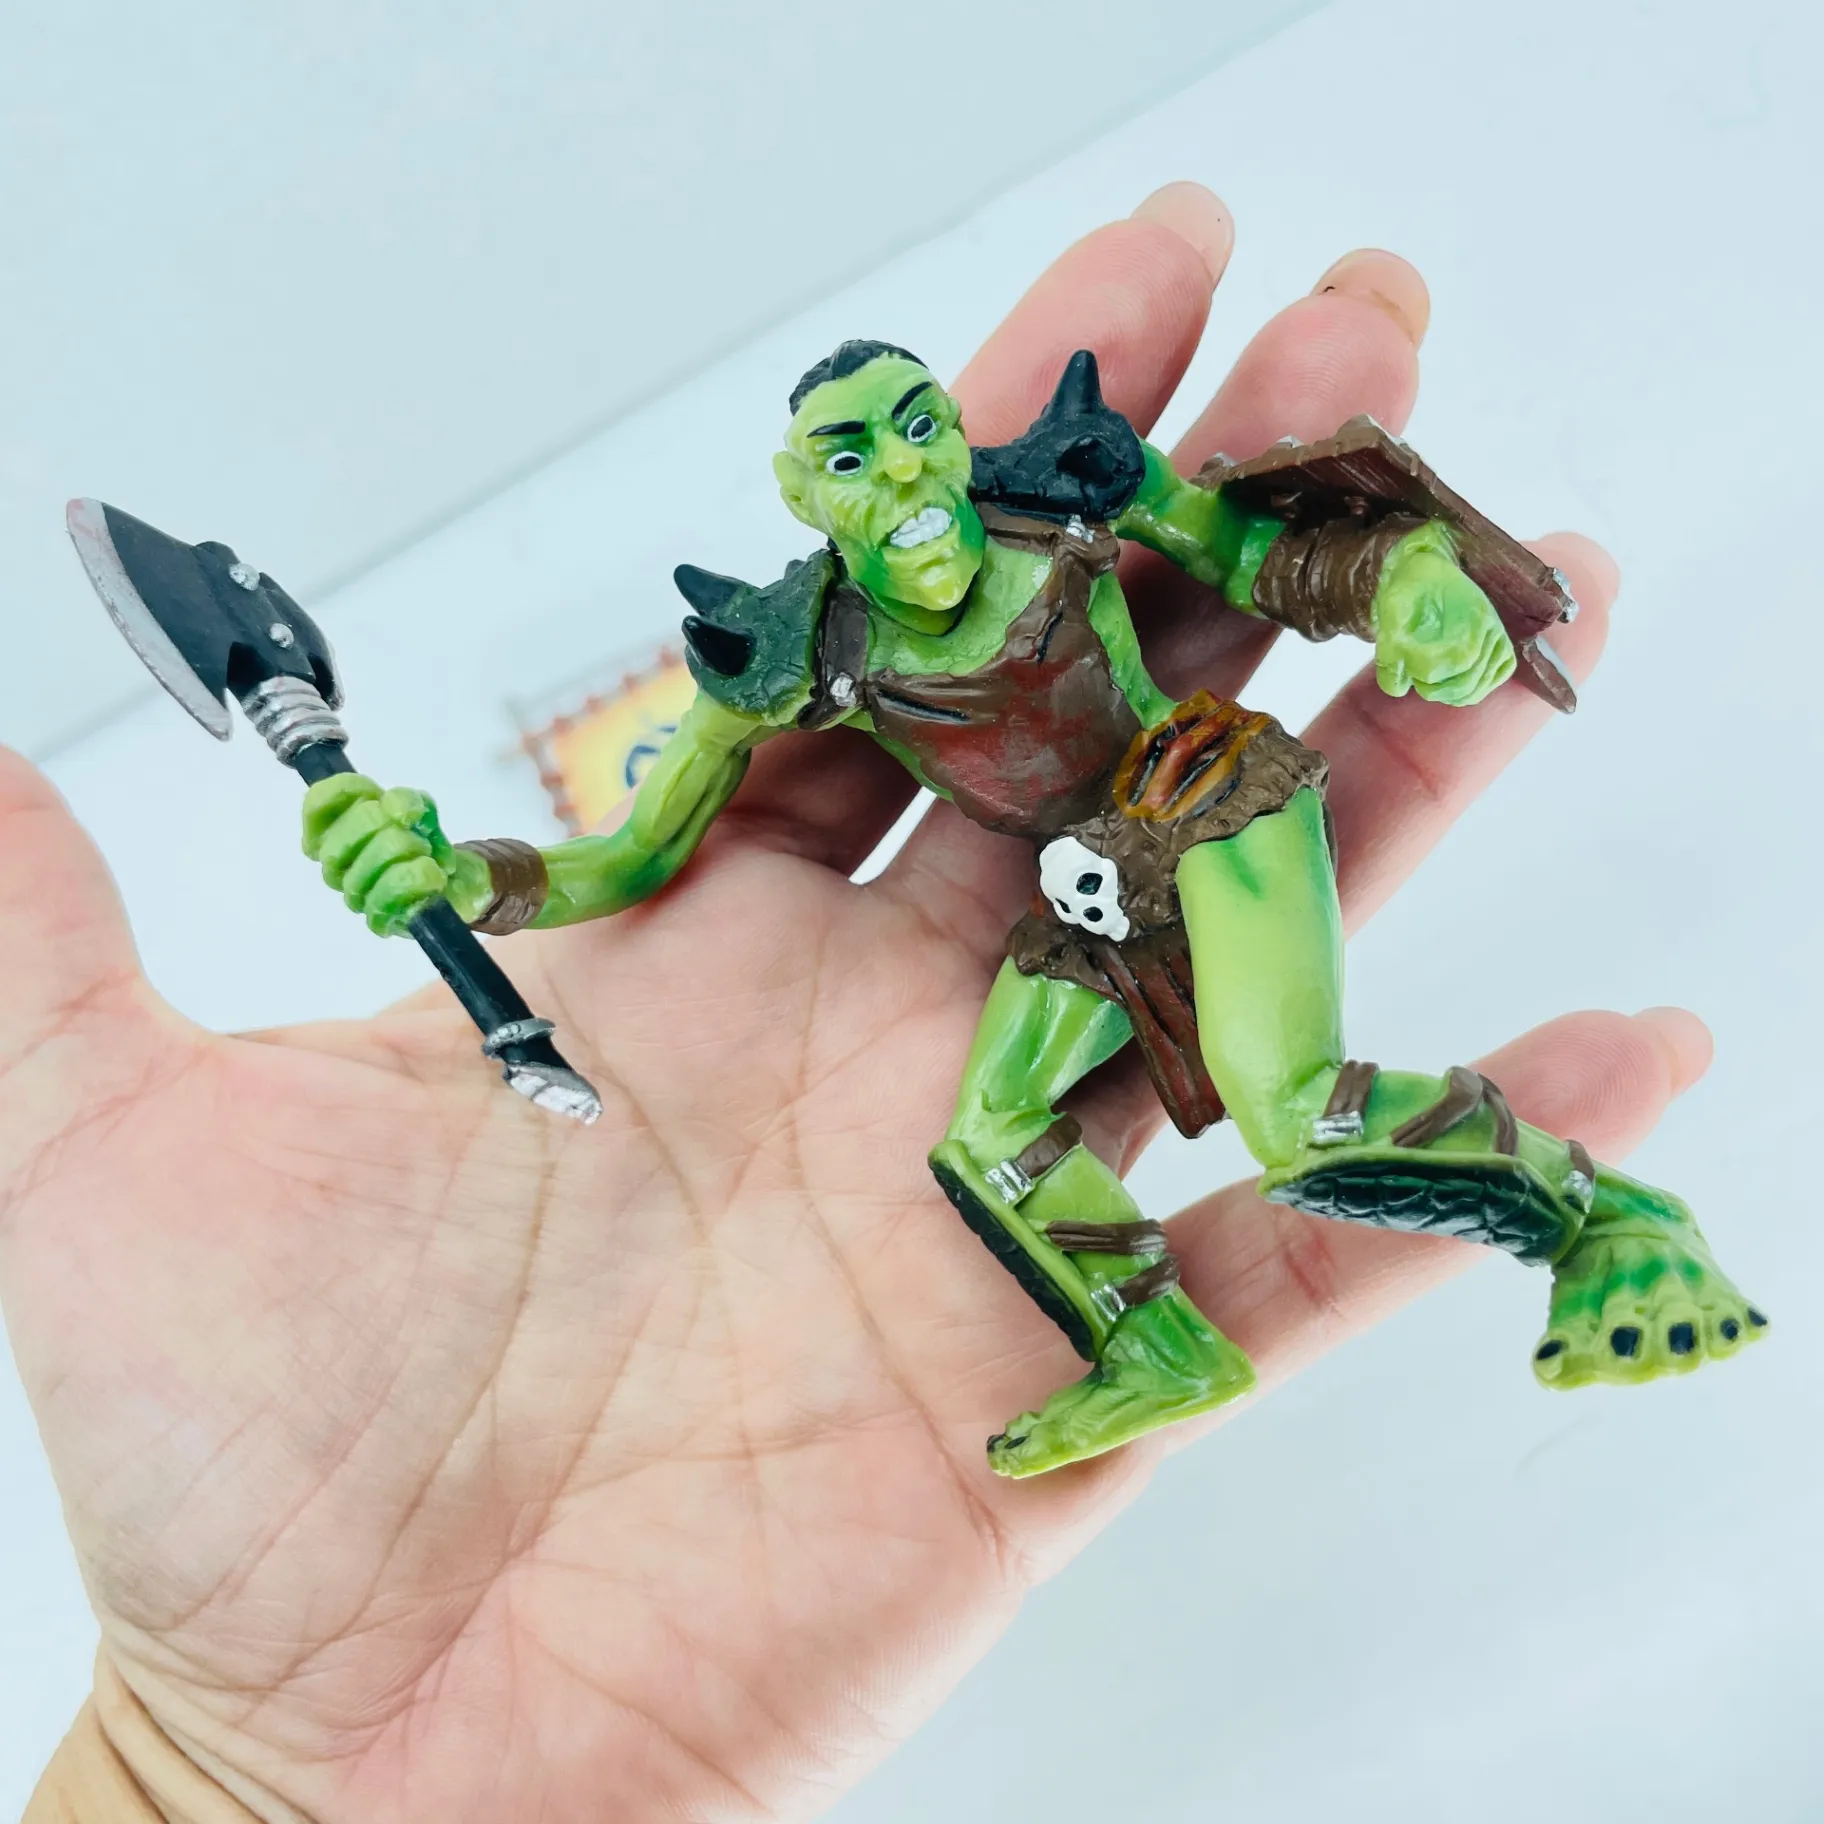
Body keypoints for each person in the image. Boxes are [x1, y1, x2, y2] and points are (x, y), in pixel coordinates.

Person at [17, 183, 1715, 1822]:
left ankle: (1601, 1219)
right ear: (804, 497)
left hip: (1209, 792)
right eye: (853, 457)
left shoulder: (1067, 492)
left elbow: (1252, 552)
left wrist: (1402, 586)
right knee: (990, 1141)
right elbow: (633, 857)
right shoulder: (800, 654)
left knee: (1295, 1113)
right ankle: (1156, 1340)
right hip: (1080, 897)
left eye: (916, 430)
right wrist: (461, 872)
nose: (905, 474)